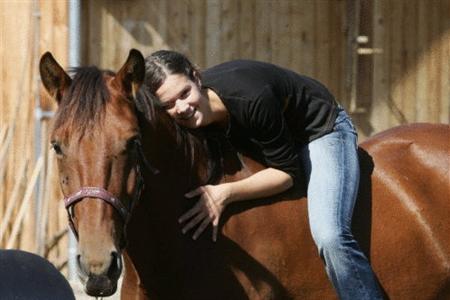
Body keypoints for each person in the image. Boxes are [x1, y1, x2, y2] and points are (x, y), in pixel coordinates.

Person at [143, 50, 384, 300]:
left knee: (330, 235)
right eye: (169, 104)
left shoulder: (250, 97)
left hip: (318, 130)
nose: (182, 108)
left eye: (184, 93)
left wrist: (225, 192)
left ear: (196, 77)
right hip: (268, 137)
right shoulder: (187, 119)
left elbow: (288, 173)